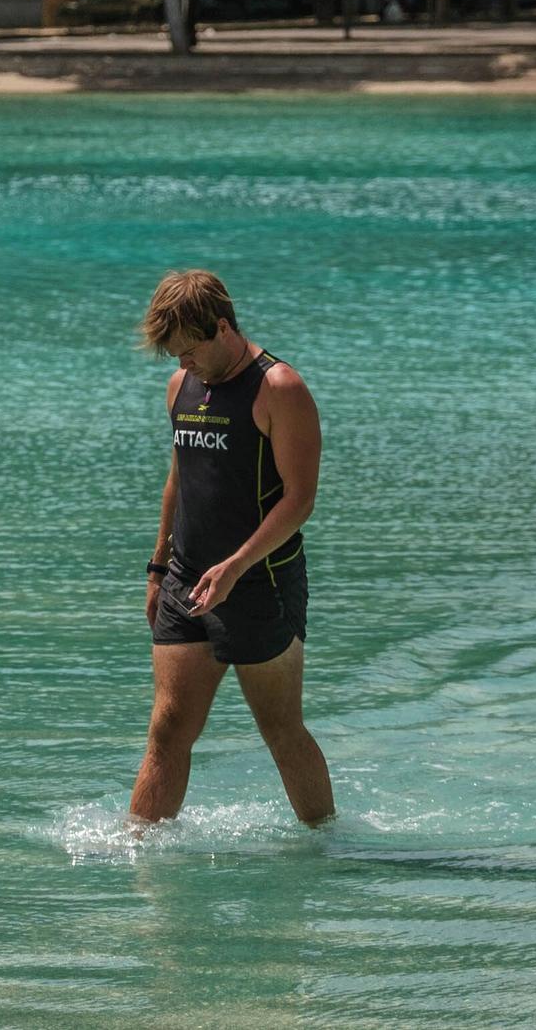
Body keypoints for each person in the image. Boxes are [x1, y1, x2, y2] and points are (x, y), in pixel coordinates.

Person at [133, 269, 334, 827]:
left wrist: (236, 566)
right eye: (174, 355)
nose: (182, 365)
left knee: (280, 730)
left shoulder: (279, 389)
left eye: (189, 351)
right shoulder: (182, 387)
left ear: (223, 327)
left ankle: (325, 850)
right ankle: (141, 863)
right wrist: (157, 567)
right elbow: (180, 478)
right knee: (168, 727)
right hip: (186, 578)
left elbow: (299, 501)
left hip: (260, 583)